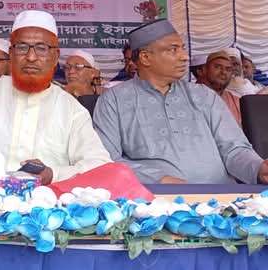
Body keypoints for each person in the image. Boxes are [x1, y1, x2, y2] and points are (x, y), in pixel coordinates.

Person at [0, 10, 112, 185]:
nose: (31, 57)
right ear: (11, 54)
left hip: (45, 202)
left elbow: (100, 165)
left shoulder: (71, 110)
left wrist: (53, 174)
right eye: (22, 47)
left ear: (55, 57)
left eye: (41, 48)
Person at [93, 19, 268, 184]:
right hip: (155, 199)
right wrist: (157, 179)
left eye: (183, 48)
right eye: (173, 50)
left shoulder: (204, 95)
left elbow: (234, 149)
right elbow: (106, 158)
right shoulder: (113, 100)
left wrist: (259, 168)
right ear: (145, 58)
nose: (184, 57)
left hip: (220, 197)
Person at [201, 50, 242, 125]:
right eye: (217, 67)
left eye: (228, 69)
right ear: (204, 69)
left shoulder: (236, 101)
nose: (223, 72)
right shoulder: (192, 95)